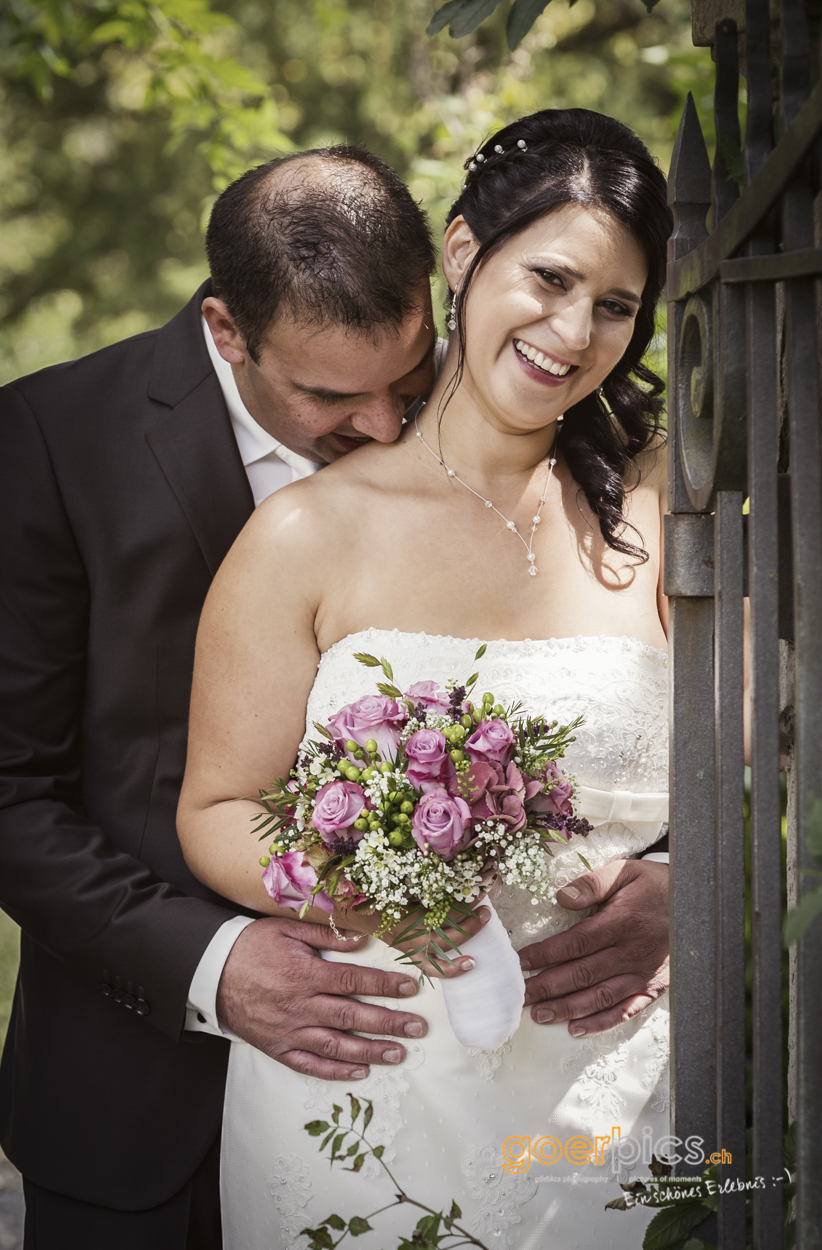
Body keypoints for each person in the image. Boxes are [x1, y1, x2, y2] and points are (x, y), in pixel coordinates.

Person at [177, 108, 674, 1249]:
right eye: (547, 277)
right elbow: (214, 810)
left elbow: (772, 774)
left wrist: (685, 892)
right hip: (369, 1073)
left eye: (614, 305)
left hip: (616, 1085)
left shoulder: (661, 518)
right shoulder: (305, 532)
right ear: (461, 254)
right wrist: (361, 876)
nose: (571, 329)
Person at [0, 146, 443, 1249]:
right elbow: (8, 793)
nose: (388, 427)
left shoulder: (477, 429)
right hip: (138, 1103)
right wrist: (213, 963)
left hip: (432, 1098)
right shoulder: (49, 443)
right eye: (333, 394)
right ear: (226, 328)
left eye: (411, 376)